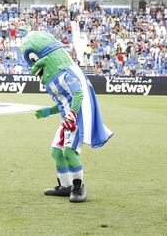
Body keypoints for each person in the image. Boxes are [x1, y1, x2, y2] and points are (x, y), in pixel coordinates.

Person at [21, 31, 113, 203]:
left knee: (69, 152)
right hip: (68, 119)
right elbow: (64, 102)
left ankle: (78, 187)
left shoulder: (63, 75)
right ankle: (66, 186)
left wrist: (72, 114)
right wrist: (47, 111)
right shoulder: (52, 83)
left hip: (77, 118)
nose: (39, 75)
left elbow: (78, 93)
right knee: (56, 151)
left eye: (40, 71)